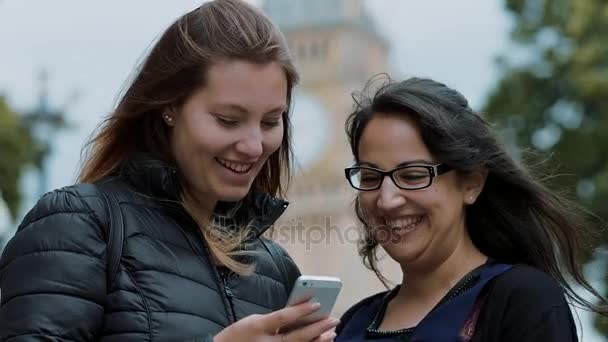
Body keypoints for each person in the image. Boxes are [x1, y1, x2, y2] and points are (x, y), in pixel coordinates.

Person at [0, 1, 339, 341]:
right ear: (169, 107)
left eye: (270, 121)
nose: (253, 145)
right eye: (227, 120)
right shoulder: (80, 225)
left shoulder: (275, 268)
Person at [335, 76, 608, 341]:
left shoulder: (520, 301)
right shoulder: (351, 325)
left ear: (472, 183)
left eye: (413, 175)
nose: (386, 200)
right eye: (370, 177)